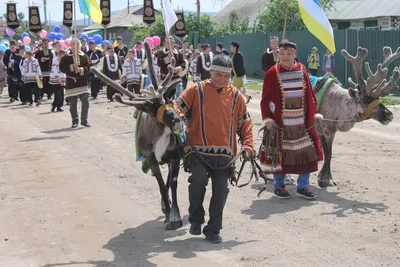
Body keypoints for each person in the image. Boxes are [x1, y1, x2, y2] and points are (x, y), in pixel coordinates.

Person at [174, 55, 255, 243]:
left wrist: (248, 144)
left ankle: (213, 230)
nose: (222, 80)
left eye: (226, 76)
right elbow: (177, 107)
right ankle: (195, 219)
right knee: (198, 182)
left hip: (225, 155)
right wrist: (177, 118)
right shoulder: (195, 90)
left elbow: (245, 123)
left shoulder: (236, 96)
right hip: (198, 152)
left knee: (221, 191)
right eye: (218, 75)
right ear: (211, 72)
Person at [259, 40, 324, 200]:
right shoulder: (272, 73)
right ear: (277, 54)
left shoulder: (302, 69)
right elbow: (265, 99)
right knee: (281, 154)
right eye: (282, 53)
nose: (285, 56)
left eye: (289, 53)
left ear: (295, 54)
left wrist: (314, 112)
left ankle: (303, 186)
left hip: (302, 123)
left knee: (305, 154)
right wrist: (267, 118)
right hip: (281, 125)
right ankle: (279, 186)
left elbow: (310, 94)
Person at [59, 38, 91, 128]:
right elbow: (61, 68)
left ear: (80, 45)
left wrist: (81, 69)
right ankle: (75, 121)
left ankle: (84, 120)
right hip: (71, 83)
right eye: (73, 44)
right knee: (72, 104)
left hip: (82, 83)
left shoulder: (84, 56)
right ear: (70, 46)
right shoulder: (66, 57)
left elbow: (89, 67)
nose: (75, 46)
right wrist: (72, 66)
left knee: (86, 102)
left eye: (77, 44)